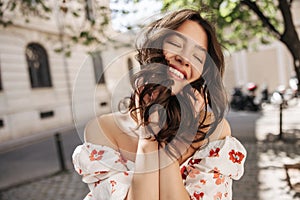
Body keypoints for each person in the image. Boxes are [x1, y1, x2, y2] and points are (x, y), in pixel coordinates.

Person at [72, 8, 246, 200]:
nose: (184, 58)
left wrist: (168, 147)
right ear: (155, 48)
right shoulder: (103, 129)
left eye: (197, 57)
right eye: (176, 44)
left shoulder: (214, 133)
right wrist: (149, 138)